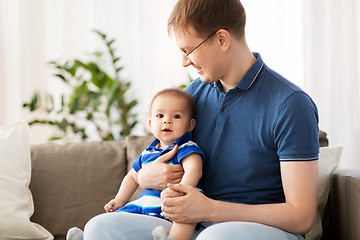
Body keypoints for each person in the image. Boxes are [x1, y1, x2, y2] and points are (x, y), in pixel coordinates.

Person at [81, 0, 319, 239]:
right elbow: (166, 156)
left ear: (222, 39)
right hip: (194, 226)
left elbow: (301, 218)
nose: (185, 61)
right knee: (100, 227)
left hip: (259, 230)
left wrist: (212, 210)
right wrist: (144, 177)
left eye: (189, 50)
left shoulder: (290, 104)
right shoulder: (192, 96)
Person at [67, 88, 205, 240]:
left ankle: (172, 238)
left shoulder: (186, 148)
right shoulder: (147, 153)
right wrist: (120, 200)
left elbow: (194, 170)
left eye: (176, 116)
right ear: (151, 124)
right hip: (144, 206)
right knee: (119, 215)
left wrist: (180, 191)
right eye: (160, 115)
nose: (167, 120)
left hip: (172, 207)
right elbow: (132, 177)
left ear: (190, 125)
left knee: (184, 218)